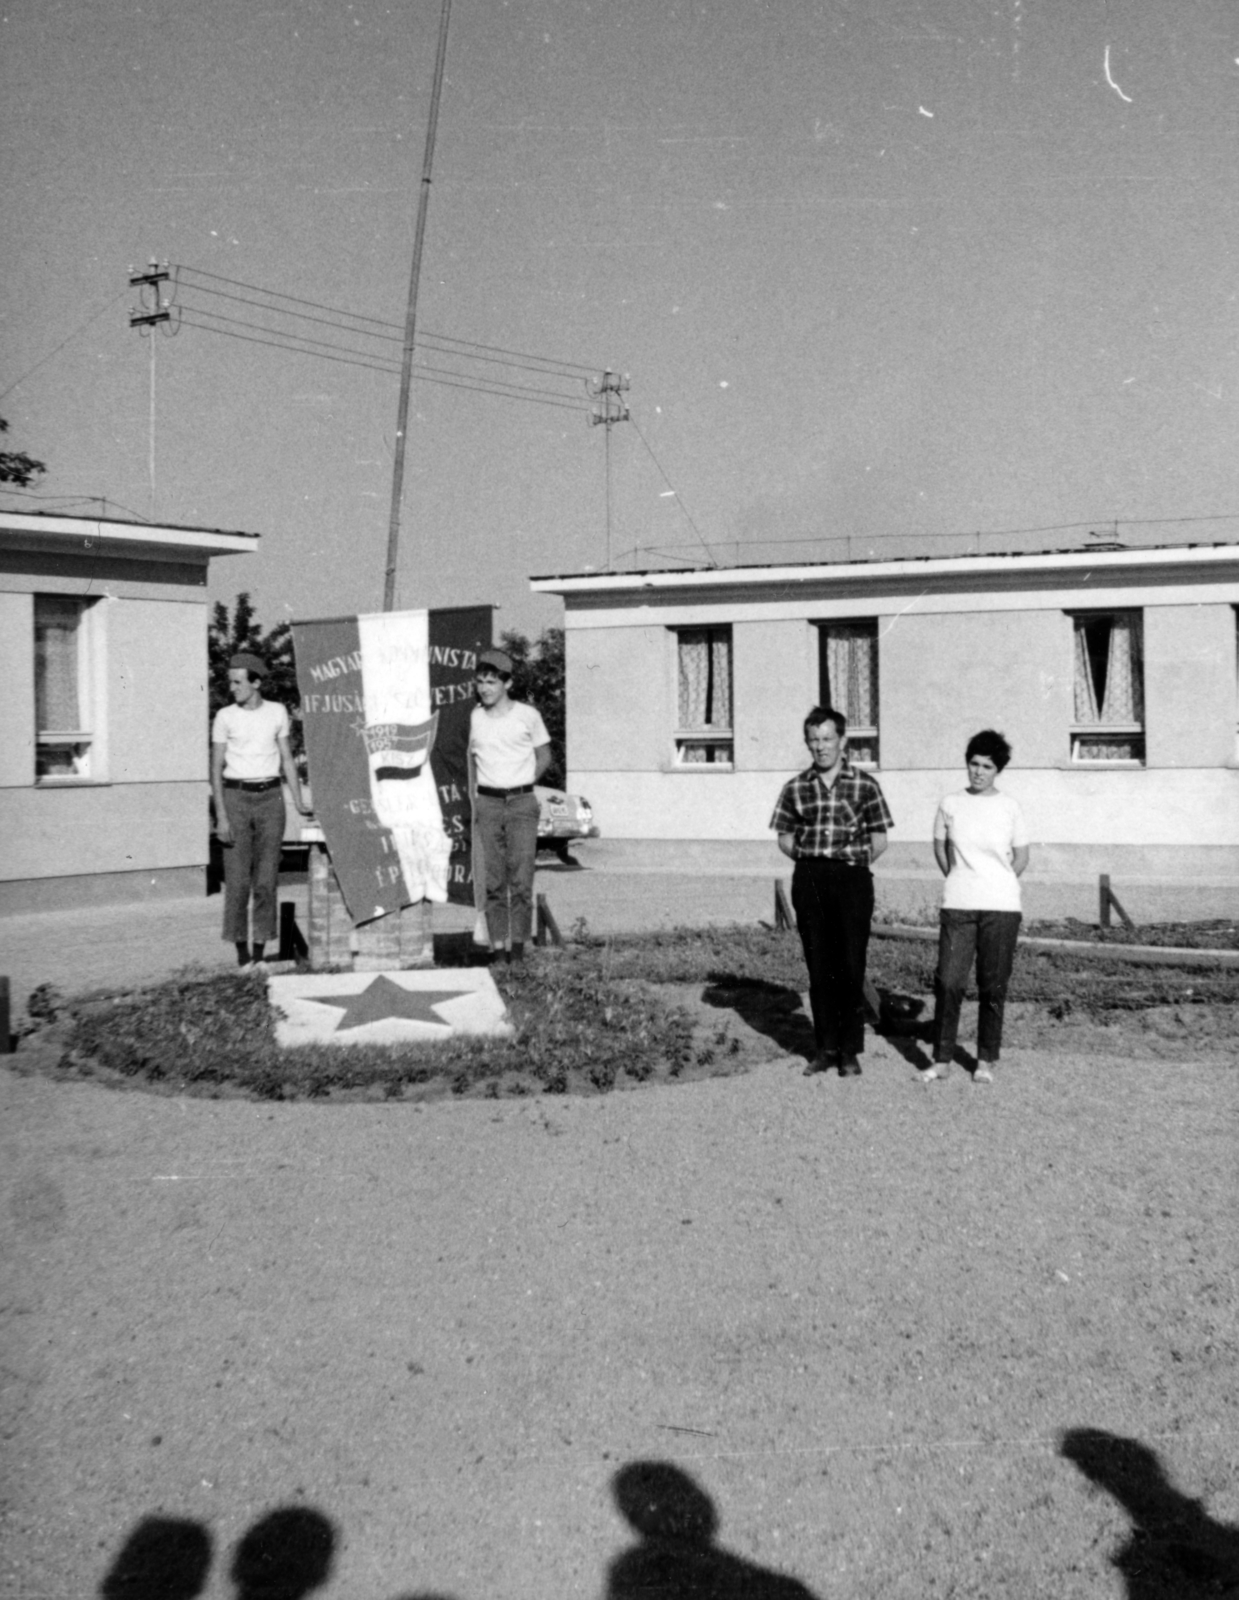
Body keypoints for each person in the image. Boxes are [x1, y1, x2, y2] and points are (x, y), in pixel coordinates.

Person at [770, 706, 894, 1078]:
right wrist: (813, 861)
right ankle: (825, 1048)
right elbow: (785, 838)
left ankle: (849, 1050)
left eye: (827, 739)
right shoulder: (795, 787)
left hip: (852, 879)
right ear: (807, 743)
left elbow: (880, 839)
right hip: (810, 878)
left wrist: (849, 863)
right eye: (814, 740)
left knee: (851, 965)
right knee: (819, 966)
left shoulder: (865, 785)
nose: (821, 746)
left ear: (842, 740)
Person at [925, 728, 1030, 1084]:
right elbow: (941, 850)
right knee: (949, 981)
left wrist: (997, 883)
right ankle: (941, 1060)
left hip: (1001, 908)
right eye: (974, 764)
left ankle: (985, 1059)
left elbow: (1021, 857)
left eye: (987, 766)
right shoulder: (950, 803)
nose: (979, 772)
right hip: (959, 906)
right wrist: (961, 879)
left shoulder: (1010, 806)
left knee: (993, 985)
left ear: (998, 769)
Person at [211, 652, 311, 969]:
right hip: (235, 798)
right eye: (230, 682)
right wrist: (221, 816)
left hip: (270, 798)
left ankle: (259, 954)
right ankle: (242, 957)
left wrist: (298, 801)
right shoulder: (225, 716)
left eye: (237, 682)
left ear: (255, 683)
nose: (232, 688)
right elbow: (215, 768)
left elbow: (287, 759)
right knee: (238, 883)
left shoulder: (277, 712)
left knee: (266, 882)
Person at [469, 647, 552, 962]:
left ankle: (517, 951)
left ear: (508, 683)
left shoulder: (527, 715)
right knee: (493, 882)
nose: (485, 689)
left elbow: (545, 756)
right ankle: (499, 952)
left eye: (491, 682)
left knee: (521, 880)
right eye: (480, 682)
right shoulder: (474, 717)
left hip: (521, 803)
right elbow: (469, 760)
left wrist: (524, 782)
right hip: (488, 803)